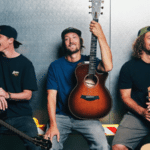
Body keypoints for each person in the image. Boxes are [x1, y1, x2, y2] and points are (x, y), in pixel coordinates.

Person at [44, 20, 113, 150]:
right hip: (61, 117)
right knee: (50, 146)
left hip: (87, 116)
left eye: (75, 37)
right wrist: (53, 125)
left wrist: (100, 36)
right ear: (64, 44)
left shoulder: (91, 63)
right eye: (67, 39)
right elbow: (51, 96)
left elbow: (108, 66)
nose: (71, 41)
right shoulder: (55, 66)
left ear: (80, 41)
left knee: (103, 146)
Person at [0, 25, 41, 150]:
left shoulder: (25, 64)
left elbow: (27, 94)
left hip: (21, 116)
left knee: (35, 146)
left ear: (10, 40)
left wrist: (7, 95)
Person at [112, 26, 150, 150]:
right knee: (118, 147)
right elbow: (125, 97)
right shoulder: (129, 67)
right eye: (149, 38)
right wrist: (143, 112)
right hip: (138, 116)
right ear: (140, 41)